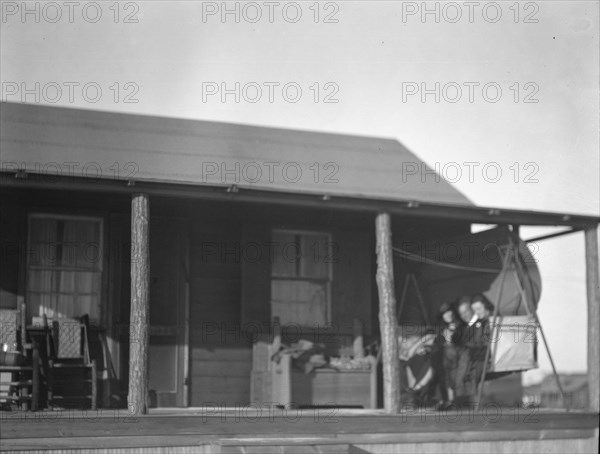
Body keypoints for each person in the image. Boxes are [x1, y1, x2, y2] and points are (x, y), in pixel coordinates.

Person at [435, 301, 460, 407]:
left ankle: (449, 400)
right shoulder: (442, 329)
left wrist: (451, 336)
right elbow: (437, 342)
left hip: (456, 354)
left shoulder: (459, 325)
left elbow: (460, 341)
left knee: (446, 364)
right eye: (445, 313)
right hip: (443, 355)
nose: (448, 315)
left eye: (449, 312)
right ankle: (444, 399)